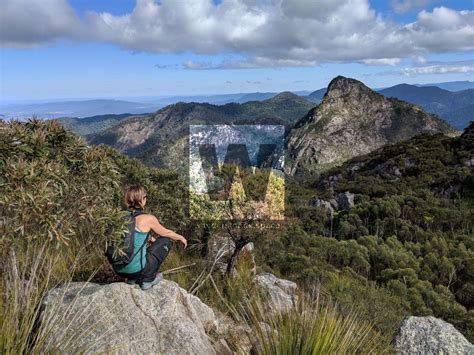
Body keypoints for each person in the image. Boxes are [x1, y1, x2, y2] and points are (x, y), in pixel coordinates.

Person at [114, 185, 187, 290]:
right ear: (142, 200)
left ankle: (133, 279)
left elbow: (132, 236)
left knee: (145, 248)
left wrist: (151, 239)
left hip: (118, 269)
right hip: (136, 270)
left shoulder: (121, 217)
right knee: (165, 240)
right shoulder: (148, 219)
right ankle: (148, 279)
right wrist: (180, 237)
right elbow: (166, 233)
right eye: (145, 197)